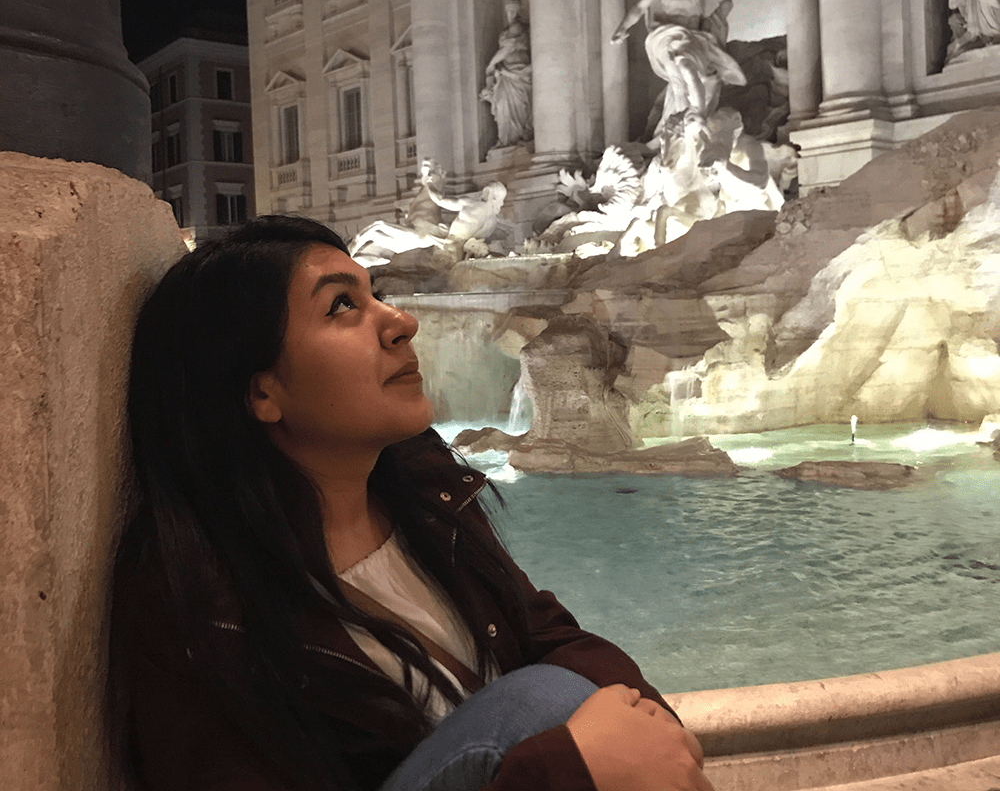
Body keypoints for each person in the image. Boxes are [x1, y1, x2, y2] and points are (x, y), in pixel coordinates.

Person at [108, 215, 711, 791]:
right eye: (342, 306)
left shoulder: (426, 492)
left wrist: (650, 731)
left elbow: (544, 632)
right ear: (262, 391)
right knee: (540, 700)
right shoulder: (195, 597)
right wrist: (565, 771)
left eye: (377, 295)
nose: (400, 322)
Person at [611, 0, 745, 138]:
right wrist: (622, 27)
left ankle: (692, 118)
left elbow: (726, 2)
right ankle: (682, 126)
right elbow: (639, 8)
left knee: (688, 72)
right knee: (678, 77)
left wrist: (713, 24)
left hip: (693, 36)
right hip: (667, 35)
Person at [480, 0, 533, 149]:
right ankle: (507, 139)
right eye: (508, 10)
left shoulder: (517, 27)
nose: (510, 14)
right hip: (506, 72)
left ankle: (517, 136)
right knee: (504, 105)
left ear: (518, 12)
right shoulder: (506, 30)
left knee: (518, 106)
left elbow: (508, 48)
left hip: (517, 70)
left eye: (513, 10)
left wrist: (491, 64)